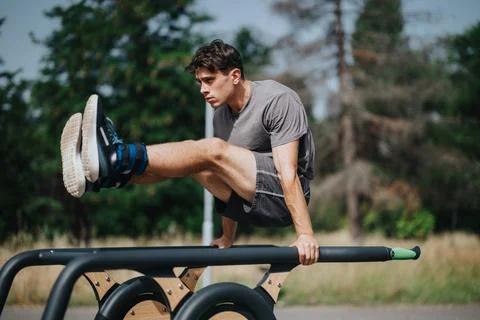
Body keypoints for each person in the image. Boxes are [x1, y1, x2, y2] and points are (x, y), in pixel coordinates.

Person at [60, 39, 319, 265]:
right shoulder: (221, 118)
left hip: (286, 200)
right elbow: (225, 175)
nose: (203, 90)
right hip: (252, 201)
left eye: (209, 81)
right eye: (199, 82)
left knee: (208, 149)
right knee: (196, 161)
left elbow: (288, 173)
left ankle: (118, 155)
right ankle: (107, 176)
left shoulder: (278, 100)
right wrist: (228, 237)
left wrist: (305, 235)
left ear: (235, 76)